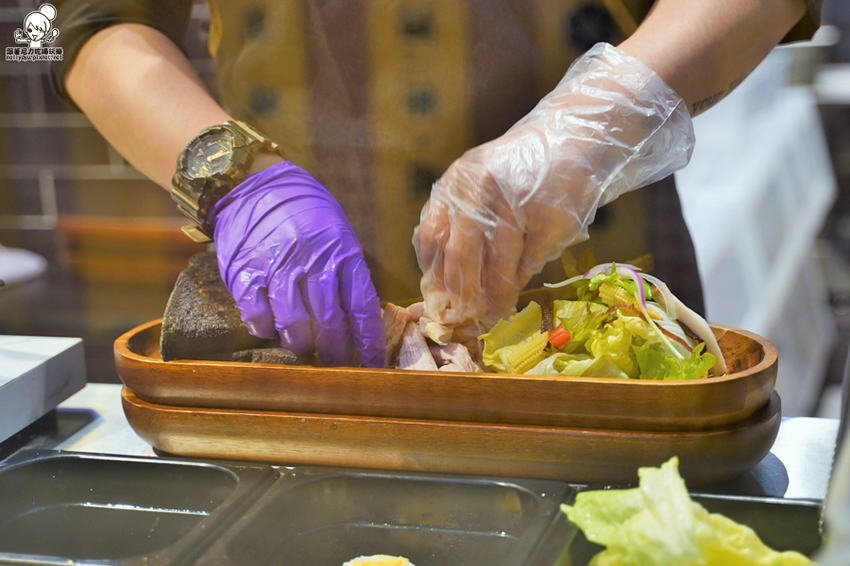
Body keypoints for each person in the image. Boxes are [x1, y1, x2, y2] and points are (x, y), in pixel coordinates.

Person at [51, 0, 819, 368]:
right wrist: (237, 180)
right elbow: (72, 23)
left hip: (602, 329)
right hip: (301, 340)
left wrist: (585, 129)